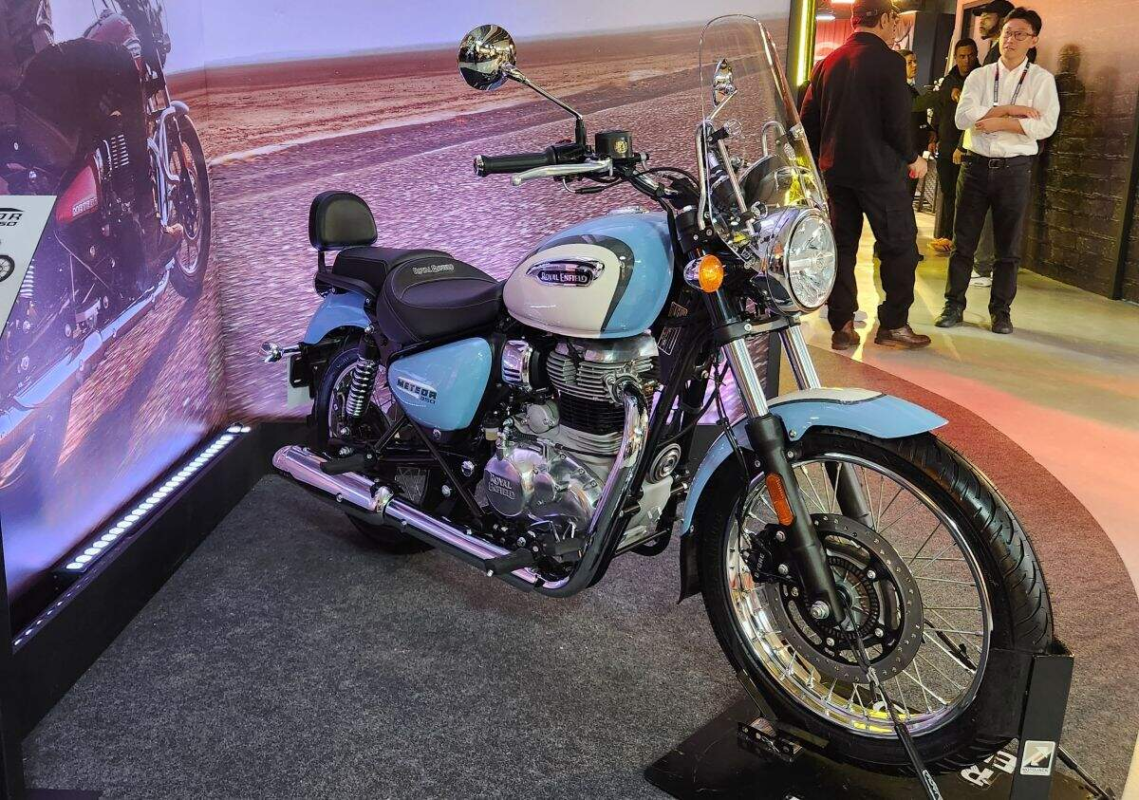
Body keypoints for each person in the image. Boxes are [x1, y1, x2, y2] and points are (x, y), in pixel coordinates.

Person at [800, 0, 931, 351]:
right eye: (894, 20)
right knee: (899, 246)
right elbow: (896, 123)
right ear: (885, 19)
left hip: (836, 172)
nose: (895, 27)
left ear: (854, 21)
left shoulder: (828, 62)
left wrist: (822, 160)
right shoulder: (890, 61)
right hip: (880, 173)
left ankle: (842, 324)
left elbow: (808, 119)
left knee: (842, 247)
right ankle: (893, 324)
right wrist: (913, 158)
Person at [935, 7, 1058, 335]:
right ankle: (953, 304)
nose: (1011, 40)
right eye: (1007, 33)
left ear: (1033, 40)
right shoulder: (980, 76)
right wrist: (1011, 110)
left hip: (1014, 170)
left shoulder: (1041, 80)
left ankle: (1001, 311)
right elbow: (963, 118)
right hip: (975, 166)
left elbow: (1046, 125)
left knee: (1008, 248)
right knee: (963, 243)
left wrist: (999, 123)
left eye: (1019, 34)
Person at [929, 39, 980, 253]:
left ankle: (961, 241)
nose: (966, 60)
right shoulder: (949, 81)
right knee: (948, 191)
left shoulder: (980, 79)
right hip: (946, 144)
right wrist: (933, 136)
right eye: (961, 56)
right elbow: (939, 110)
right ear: (956, 57)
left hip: (968, 147)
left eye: (970, 55)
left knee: (966, 195)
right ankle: (947, 236)